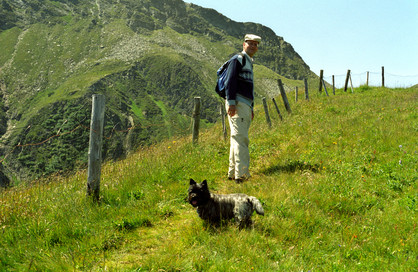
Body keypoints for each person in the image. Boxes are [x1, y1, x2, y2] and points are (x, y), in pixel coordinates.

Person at [224, 34, 261, 183]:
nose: (253, 46)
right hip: (238, 104)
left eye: (255, 44)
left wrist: (250, 108)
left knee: (236, 138)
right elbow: (230, 80)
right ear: (243, 44)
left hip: (243, 104)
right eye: (250, 43)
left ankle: (232, 173)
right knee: (241, 139)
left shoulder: (248, 61)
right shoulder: (238, 59)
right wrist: (232, 103)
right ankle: (242, 175)